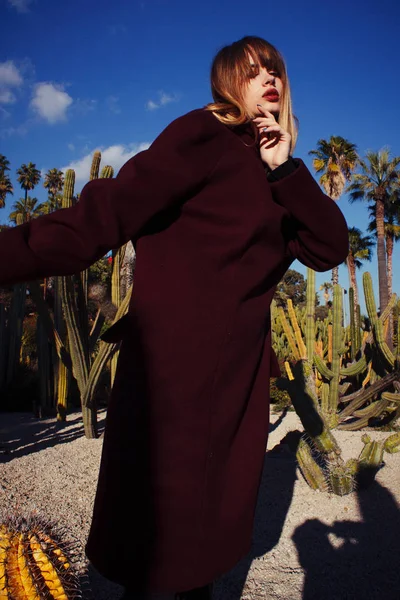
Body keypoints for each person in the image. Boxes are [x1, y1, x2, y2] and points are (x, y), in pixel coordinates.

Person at [0, 36, 348, 599]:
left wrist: (284, 167)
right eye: (253, 70)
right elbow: (106, 214)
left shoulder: (278, 174)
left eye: (275, 69)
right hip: (174, 375)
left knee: (198, 551)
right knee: (163, 549)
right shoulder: (202, 135)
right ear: (228, 85)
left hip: (235, 381)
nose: (269, 78)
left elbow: (329, 248)